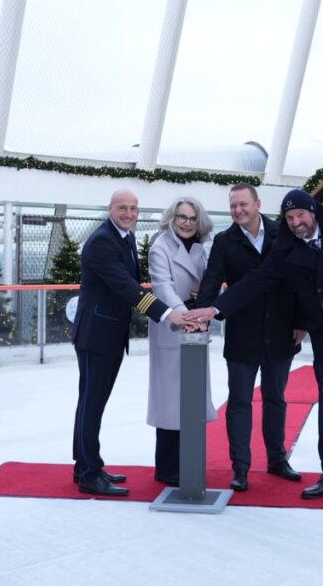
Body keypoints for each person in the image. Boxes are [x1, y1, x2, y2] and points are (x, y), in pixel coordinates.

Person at [185, 189, 323, 503]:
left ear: (313, 212)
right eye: (290, 218)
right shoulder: (285, 248)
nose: (296, 223)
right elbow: (256, 281)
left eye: (301, 215)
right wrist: (215, 309)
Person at [71, 189, 191, 496]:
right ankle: (88, 472)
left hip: (109, 335)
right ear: (109, 208)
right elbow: (126, 286)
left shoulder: (124, 237)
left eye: (133, 208)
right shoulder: (102, 241)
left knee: (92, 402)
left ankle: (87, 463)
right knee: (91, 403)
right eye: (122, 207)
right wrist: (167, 313)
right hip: (96, 335)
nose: (128, 213)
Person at [195, 184, 304, 492]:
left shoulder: (283, 234)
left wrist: (301, 321)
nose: (238, 210)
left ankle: (277, 460)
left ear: (258, 203)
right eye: (233, 206)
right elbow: (212, 280)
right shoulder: (224, 241)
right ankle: (240, 467)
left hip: (282, 332)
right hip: (243, 333)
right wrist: (203, 312)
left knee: (275, 399)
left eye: (243, 204)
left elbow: (299, 280)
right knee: (240, 402)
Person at [146, 196, 218, 486]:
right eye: (182, 217)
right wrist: (185, 314)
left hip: (194, 331)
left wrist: (205, 296)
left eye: (191, 218)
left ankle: (187, 463)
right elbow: (162, 286)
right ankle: (166, 468)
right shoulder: (160, 247)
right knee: (170, 402)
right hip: (173, 327)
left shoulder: (200, 248)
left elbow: (207, 281)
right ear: (172, 218)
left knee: (190, 400)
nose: (187, 223)